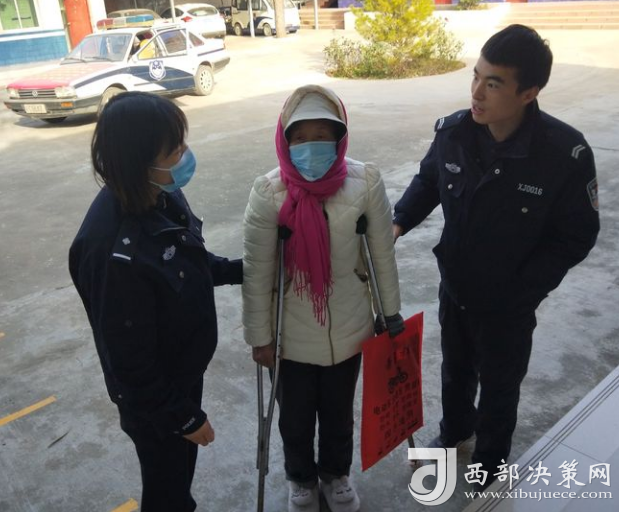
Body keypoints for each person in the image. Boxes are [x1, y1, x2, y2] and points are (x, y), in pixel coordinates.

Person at [393, 25, 600, 489]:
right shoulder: (454, 133)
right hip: (457, 284)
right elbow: (429, 180)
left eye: (493, 83)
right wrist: (399, 221)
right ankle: (454, 433)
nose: (476, 93)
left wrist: (525, 289)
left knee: (500, 387)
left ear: (529, 92)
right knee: (455, 371)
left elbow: (577, 235)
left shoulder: (563, 154)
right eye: (476, 76)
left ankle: (488, 465)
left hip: (510, 302)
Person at [69, 91, 242, 512]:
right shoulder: (112, 251)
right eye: (175, 150)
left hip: (181, 373)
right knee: (167, 491)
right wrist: (181, 416)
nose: (185, 155)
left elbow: (188, 261)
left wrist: (239, 270)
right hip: (154, 400)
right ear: (139, 160)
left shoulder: (157, 194)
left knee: (178, 479)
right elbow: (128, 360)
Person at [243, 84, 404, 512]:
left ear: (339, 137)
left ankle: (335, 474)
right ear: (285, 141)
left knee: (338, 414)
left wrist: (390, 314)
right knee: (295, 418)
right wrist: (260, 337)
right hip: (290, 337)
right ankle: (301, 477)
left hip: (350, 328)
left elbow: (381, 255)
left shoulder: (365, 181)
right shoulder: (268, 192)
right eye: (300, 137)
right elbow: (257, 273)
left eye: (322, 135)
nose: (311, 146)